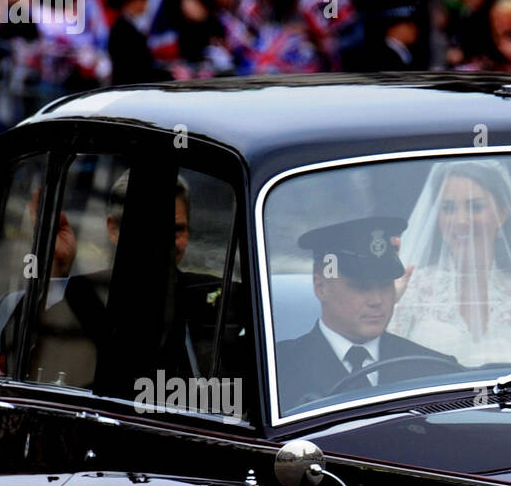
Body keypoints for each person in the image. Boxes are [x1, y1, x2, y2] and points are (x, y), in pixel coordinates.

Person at [28, 172, 232, 396]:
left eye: (176, 230)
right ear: (114, 229)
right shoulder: (80, 295)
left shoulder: (212, 297)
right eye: (149, 229)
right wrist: (56, 272)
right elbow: (28, 363)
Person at [275, 216, 458, 410]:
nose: (377, 300)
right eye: (362, 288)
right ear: (321, 287)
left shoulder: (435, 370)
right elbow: (236, 415)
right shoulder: (268, 370)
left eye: (386, 285)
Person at [387, 160, 511, 366]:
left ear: (502, 214)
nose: (461, 221)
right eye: (448, 208)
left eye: (475, 207)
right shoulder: (411, 289)